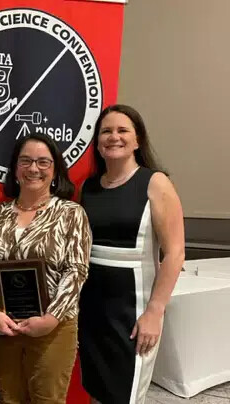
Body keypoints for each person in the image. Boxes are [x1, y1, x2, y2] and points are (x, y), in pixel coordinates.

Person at [78, 104, 185, 404]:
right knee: (97, 387)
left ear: (138, 140)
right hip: (91, 307)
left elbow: (175, 253)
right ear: (97, 143)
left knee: (125, 392)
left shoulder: (155, 183)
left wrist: (154, 311)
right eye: (106, 131)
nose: (114, 137)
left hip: (132, 309)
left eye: (123, 130)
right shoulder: (88, 187)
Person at [0, 133, 92, 404]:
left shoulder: (71, 213)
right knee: (8, 399)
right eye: (26, 161)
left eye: (43, 162)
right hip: (6, 326)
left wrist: (51, 318)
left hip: (53, 327)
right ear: (16, 169)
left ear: (55, 170)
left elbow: (76, 270)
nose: (34, 168)